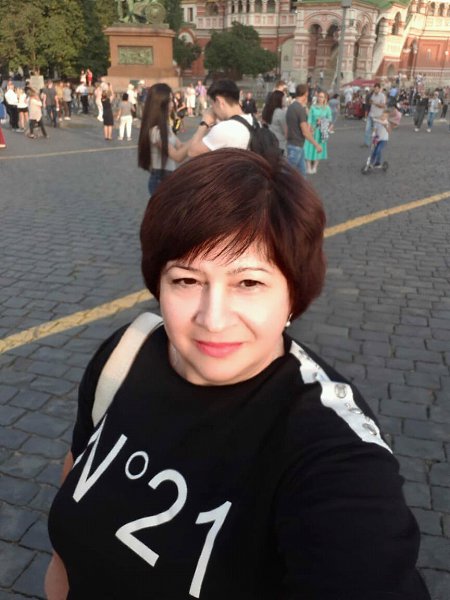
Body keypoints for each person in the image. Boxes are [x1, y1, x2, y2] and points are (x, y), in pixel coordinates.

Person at [46, 148, 430, 600]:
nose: (213, 319)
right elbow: (69, 520)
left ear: (293, 294)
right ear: (158, 284)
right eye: (186, 280)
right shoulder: (126, 354)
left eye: (249, 283)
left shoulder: (329, 449)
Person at [137, 82, 190, 195]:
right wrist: (202, 128)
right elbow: (177, 156)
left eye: (172, 100)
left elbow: (181, 146)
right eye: (169, 101)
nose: (172, 104)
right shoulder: (156, 131)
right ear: (159, 104)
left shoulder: (165, 126)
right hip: (160, 179)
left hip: (167, 177)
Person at [188, 79, 255, 157]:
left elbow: (192, 152)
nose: (212, 109)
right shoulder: (254, 122)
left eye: (212, 104)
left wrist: (204, 123)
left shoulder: (224, 129)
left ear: (218, 101)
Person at [286, 83, 322, 176]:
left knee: (302, 174)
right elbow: (305, 132)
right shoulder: (300, 109)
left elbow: (288, 127)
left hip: (293, 144)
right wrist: (316, 144)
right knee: (287, 175)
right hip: (296, 146)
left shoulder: (290, 107)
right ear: (305, 94)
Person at [304, 90, 333, 174]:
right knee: (308, 147)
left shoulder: (327, 108)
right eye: (319, 96)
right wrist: (309, 128)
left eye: (322, 97)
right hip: (313, 129)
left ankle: (315, 166)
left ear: (325, 98)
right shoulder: (313, 107)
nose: (320, 98)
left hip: (322, 130)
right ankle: (308, 166)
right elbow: (309, 119)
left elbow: (330, 118)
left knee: (320, 147)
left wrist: (323, 120)